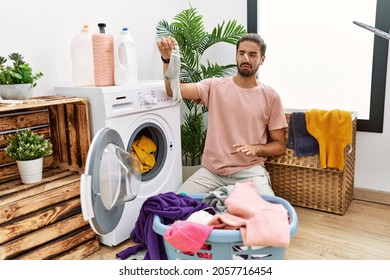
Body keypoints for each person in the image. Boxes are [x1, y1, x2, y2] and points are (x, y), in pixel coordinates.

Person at [157, 33, 287, 196]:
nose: (246, 58)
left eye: (253, 54)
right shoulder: (214, 86)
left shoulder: (271, 96)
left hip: (250, 172)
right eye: (242, 53)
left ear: (262, 59)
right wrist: (167, 60)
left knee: (269, 214)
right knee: (174, 205)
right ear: (236, 56)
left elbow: (279, 145)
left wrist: (256, 148)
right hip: (211, 173)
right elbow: (173, 90)